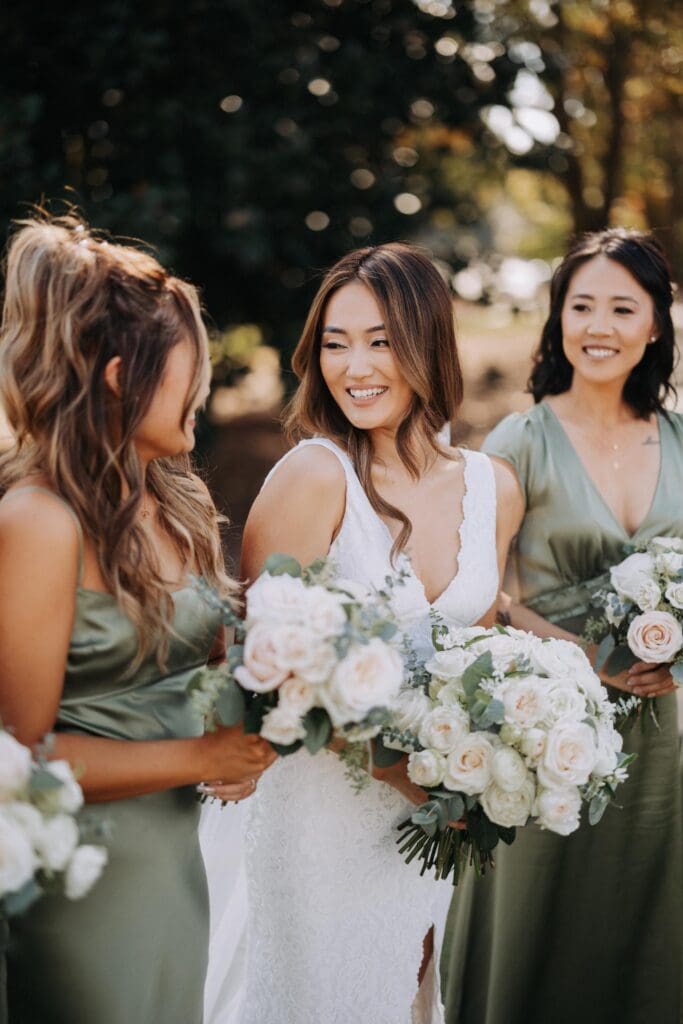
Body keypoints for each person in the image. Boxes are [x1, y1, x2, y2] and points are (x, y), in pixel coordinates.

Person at [203, 242, 515, 1023]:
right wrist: (405, 771)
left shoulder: (492, 487)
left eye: (379, 340)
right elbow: (260, 676)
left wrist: (484, 773)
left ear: (426, 344)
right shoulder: (312, 476)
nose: (354, 366)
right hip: (319, 824)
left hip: (432, 828)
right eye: (335, 344)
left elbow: (475, 668)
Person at [0, 213, 275, 1024]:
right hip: (80, 885)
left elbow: (203, 671)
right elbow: (20, 758)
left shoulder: (172, 501)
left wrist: (263, 718)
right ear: (122, 375)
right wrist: (202, 751)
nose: (205, 390)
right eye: (194, 369)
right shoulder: (39, 521)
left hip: (172, 865)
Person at [442, 228, 683, 1024]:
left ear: (655, 323)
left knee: (644, 932)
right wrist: (586, 659)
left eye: (621, 307)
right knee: (539, 932)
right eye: (580, 306)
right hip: (546, 735)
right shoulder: (520, 441)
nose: (598, 326)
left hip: (660, 741)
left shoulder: (681, 439)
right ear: (557, 321)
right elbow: (482, 598)